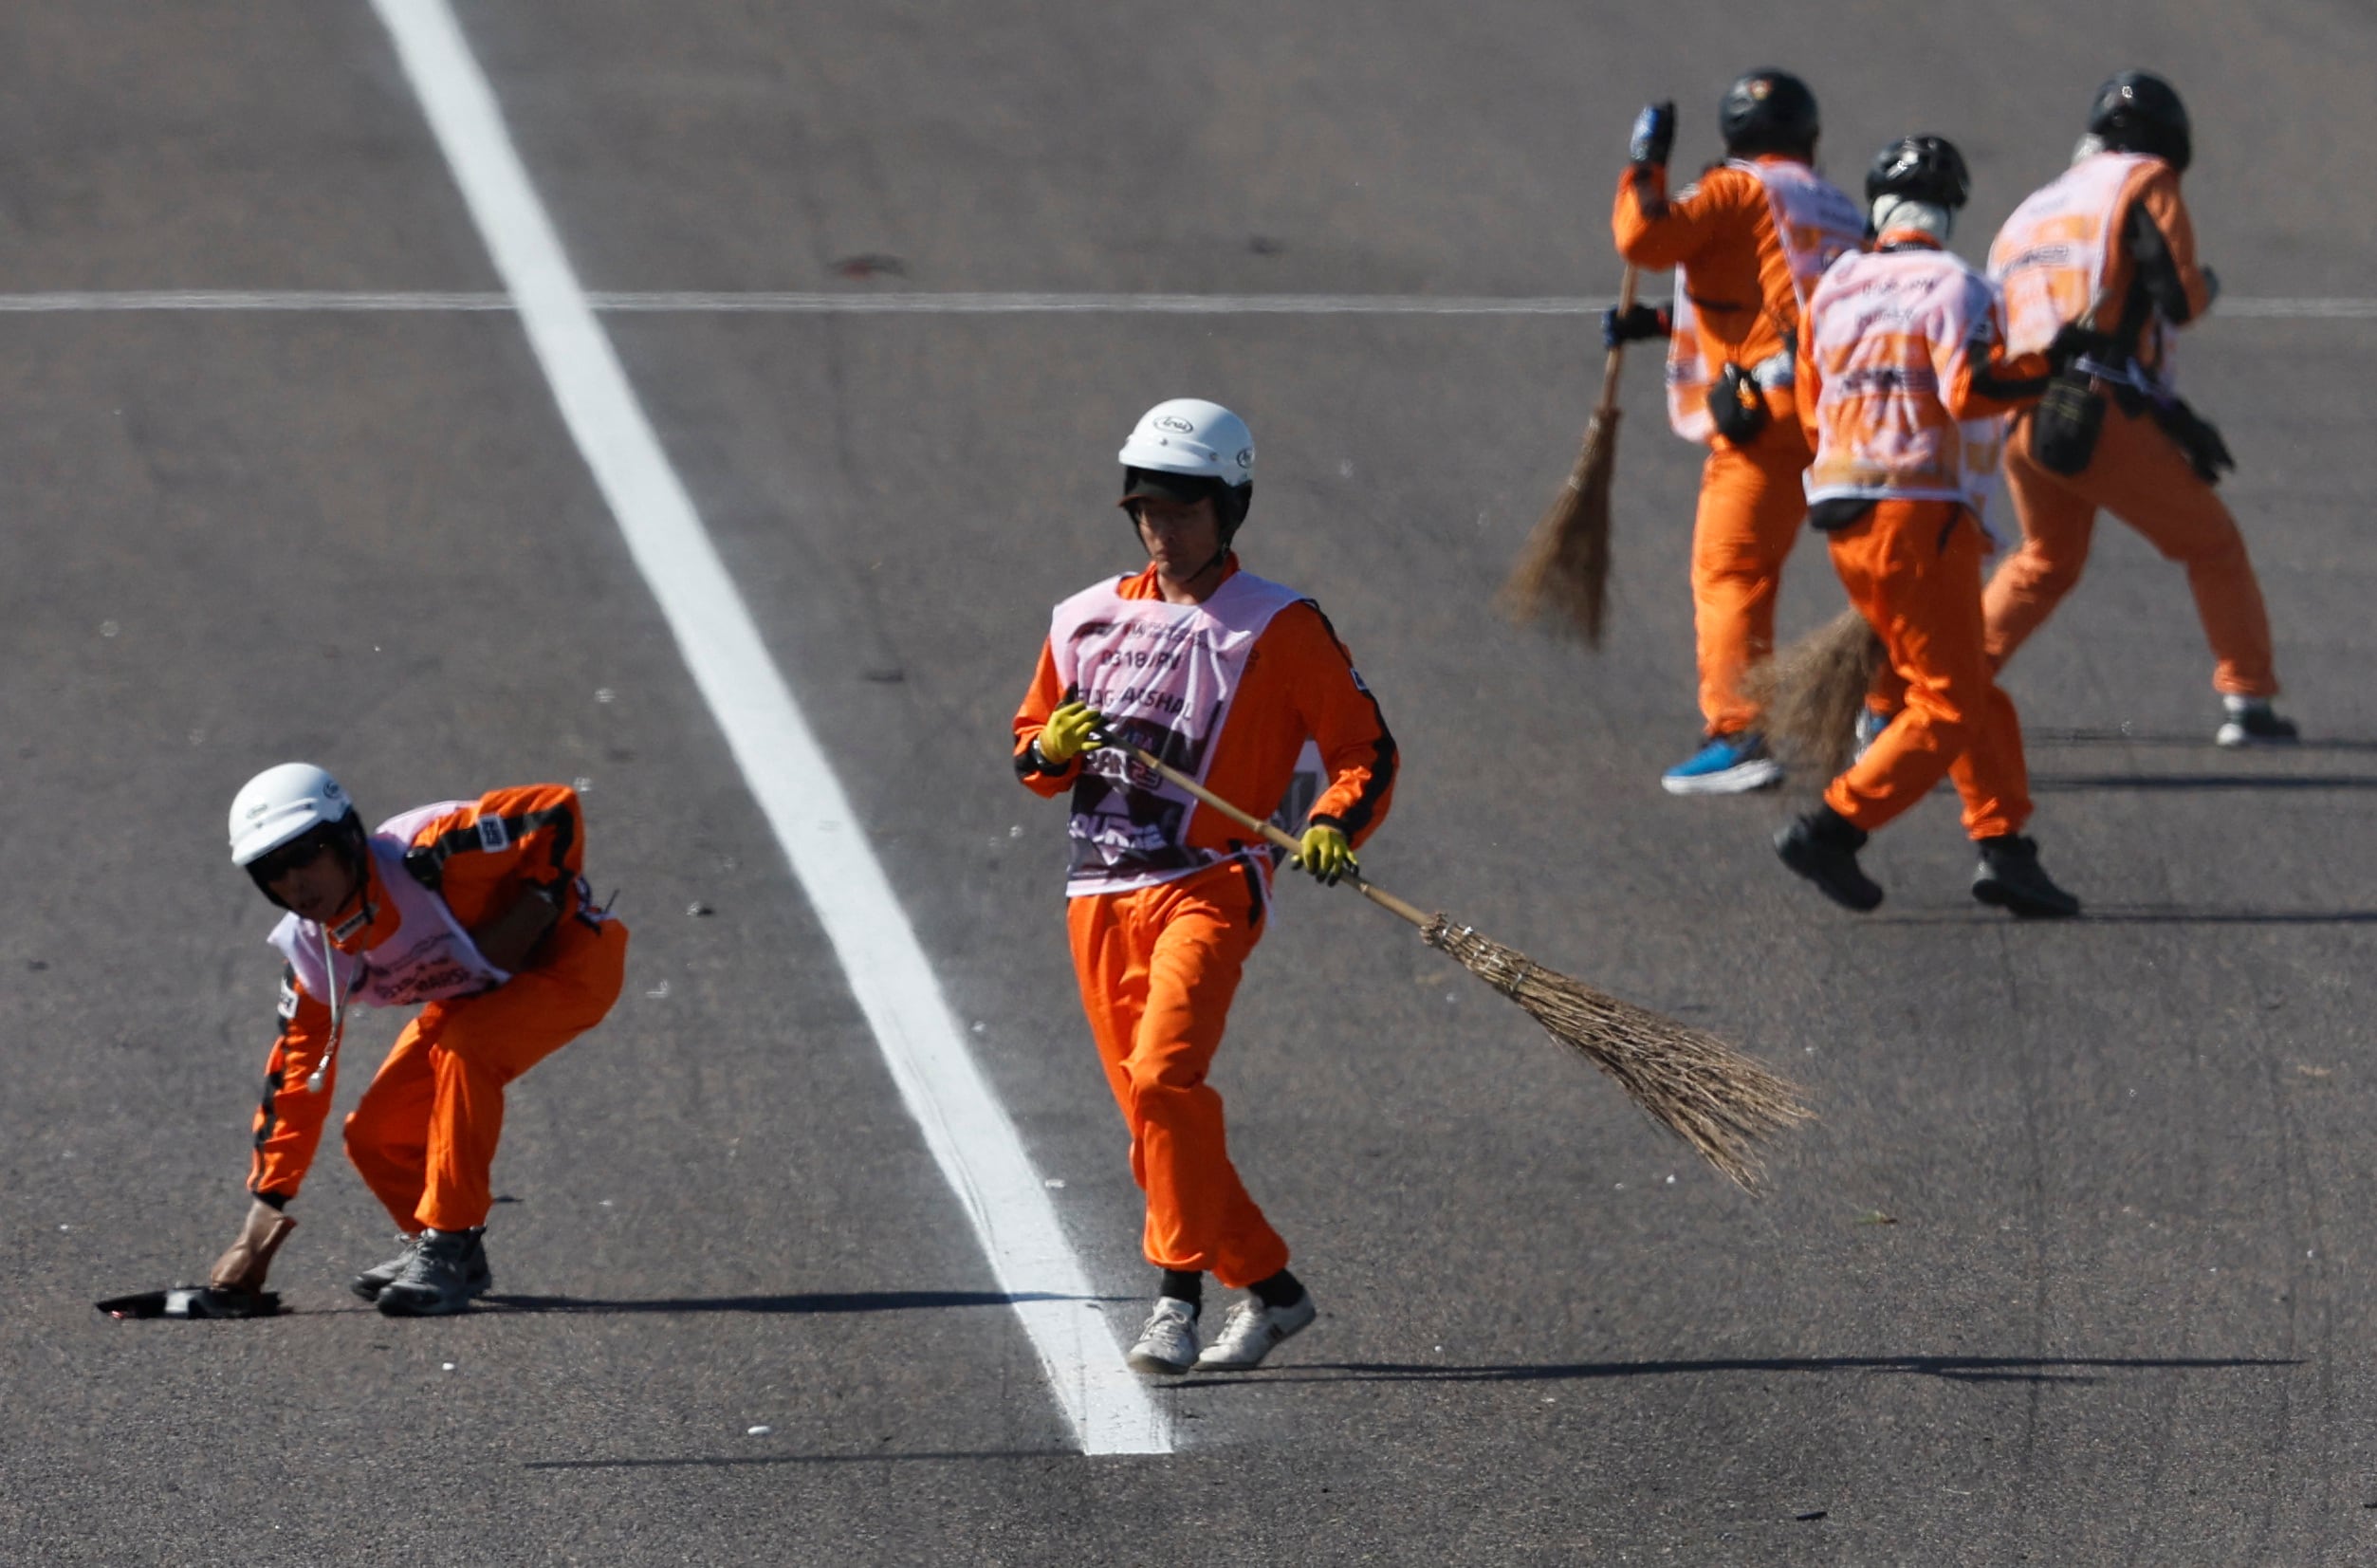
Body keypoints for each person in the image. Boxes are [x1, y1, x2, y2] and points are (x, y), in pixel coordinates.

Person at [1011, 398, 1398, 1374]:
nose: (1161, 528)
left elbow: (1365, 751)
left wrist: (1327, 824)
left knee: (1164, 1079)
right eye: (1145, 510)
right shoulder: (1081, 617)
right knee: (1156, 1121)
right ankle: (1272, 1291)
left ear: (1231, 508)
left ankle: (1174, 1300)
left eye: (1182, 510)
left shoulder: (1278, 624)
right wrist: (1050, 745)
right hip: (1097, 897)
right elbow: (1032, 752)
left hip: (1209, 884)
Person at [1773, 136, 2082, 918]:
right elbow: (1971, 389)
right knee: (1949, 703)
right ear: (1948, 213)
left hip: (1845, 514)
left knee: (1968, 687)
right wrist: (2052, 364)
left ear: (1878, 206)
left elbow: (1813, 411)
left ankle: (2006, 845)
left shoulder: (1834, 291)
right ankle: (1835, 826)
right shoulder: (1957, 286)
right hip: (1920, 514)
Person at [205, 764, 628, 1316]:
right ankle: (443, 1247)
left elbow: (555, 808)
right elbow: (295, 1078)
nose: (296, 885)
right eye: (273, 872)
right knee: (374, 1135)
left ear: (349, 840)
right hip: (476, 995)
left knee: (467, 1047)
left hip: (573, 963)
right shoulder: (315, 955)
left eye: (306, 856)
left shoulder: (434, 855)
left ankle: (447, 1245)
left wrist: (539, 902)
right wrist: (263, 1217)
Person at [1981, 71, 2296, 747]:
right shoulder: (2145, 181)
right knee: (2213, 542)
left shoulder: (2037, 207)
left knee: (2045, 559)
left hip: (2023, 415)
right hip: (2095, 411)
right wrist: (2204, 285)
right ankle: (2249, 697)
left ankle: (1934, 687)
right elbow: (2178, 298)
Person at [1607, 68, 1865, 793]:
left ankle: (1737, 731)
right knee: (1873, 570)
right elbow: (1774, 292)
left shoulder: (1735, 187)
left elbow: (1647, 238)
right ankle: (1885, 708)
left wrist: (1643, 166)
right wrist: (1659, 322)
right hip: (1843, 415)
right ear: (1807, 135)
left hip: (1767, 418)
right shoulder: (1838, 207)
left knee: (1731, 573)